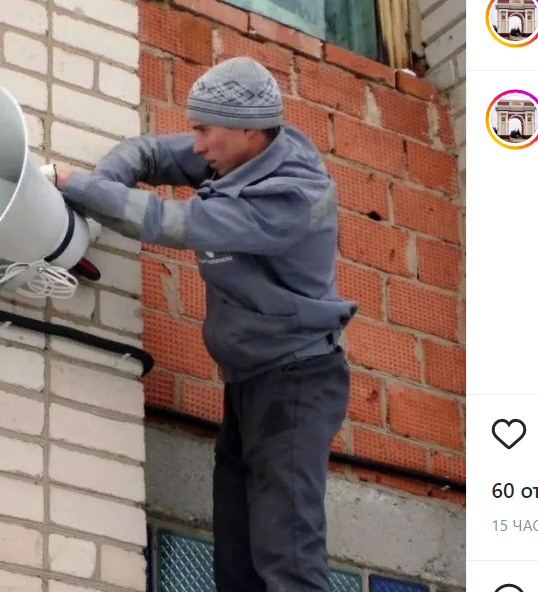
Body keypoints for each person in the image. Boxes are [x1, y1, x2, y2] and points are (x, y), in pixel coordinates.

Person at [44, 56, 358, 592]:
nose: (195, 146)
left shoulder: (290, 196)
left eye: (204, 131)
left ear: (249, 131)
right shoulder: (235, 155)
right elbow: (146, 152)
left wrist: (72, 184)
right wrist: (105, 181)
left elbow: (176, 222)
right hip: (250, 381)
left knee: (287, 554)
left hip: (297, 383)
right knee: (236, 561)